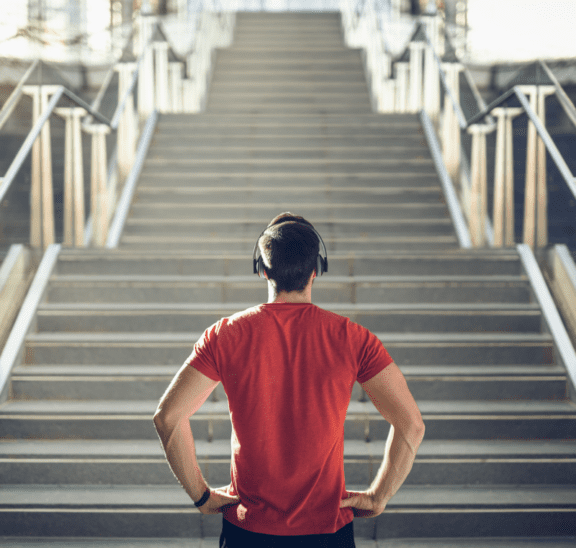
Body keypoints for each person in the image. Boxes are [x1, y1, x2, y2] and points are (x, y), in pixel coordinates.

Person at [153, 212, 425, 547]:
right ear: (317, 269)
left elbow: (167, 418)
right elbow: (411, 424)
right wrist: (378, 496)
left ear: (262, 269)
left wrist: (201, 496)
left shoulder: (225, 335)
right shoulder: (353, 338)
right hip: (328, 531)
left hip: (249, 530)